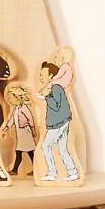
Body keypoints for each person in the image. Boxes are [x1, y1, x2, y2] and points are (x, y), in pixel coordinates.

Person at [38, 51, 83, 183]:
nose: (40, 77)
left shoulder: (56, 88)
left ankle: (52, 172)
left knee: (46, 146)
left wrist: (45, 97)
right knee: (62, 149)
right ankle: (72, 172)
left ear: (51, 75)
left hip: (58, 123)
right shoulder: (55, 87)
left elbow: (57, 106)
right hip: (62, 121)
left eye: (43, 75)